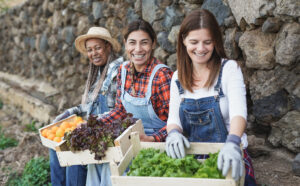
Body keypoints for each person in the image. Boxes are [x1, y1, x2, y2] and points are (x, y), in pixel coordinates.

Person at [165, 9, 256, 185]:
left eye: (207, 42)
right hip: (194, 158)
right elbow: (173, 119)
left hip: (229, 153)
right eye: (194, 42)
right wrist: (174, 133)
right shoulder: (177, 77)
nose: (201, 48)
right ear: (183, 40)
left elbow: (239, 113)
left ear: (215, 42)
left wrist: (233, 142)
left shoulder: (229, 69)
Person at [86, 19, 173, 186]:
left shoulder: (162, 75)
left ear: (153, 44)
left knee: (113, 168)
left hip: (156, 144)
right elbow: (121, 111)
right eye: (132, 42)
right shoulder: (123, 70)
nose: (138, 49)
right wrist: (93, 124)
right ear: (125, 44)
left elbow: (176, 122)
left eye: (144, 43)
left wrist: (152, 139)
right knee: (97, 161)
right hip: (130, 139)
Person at [50, 27, 123, 186]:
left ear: (108, 47)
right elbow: (89, 106)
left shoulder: (117, 70)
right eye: (90, 50)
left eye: (98, 48)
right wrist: (68, 113)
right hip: (94, 127)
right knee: (56, 147)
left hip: (110, 130)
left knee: (73, 155)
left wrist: (88, 126)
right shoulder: (97, 73)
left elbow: (119, 111)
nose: (93, 53)